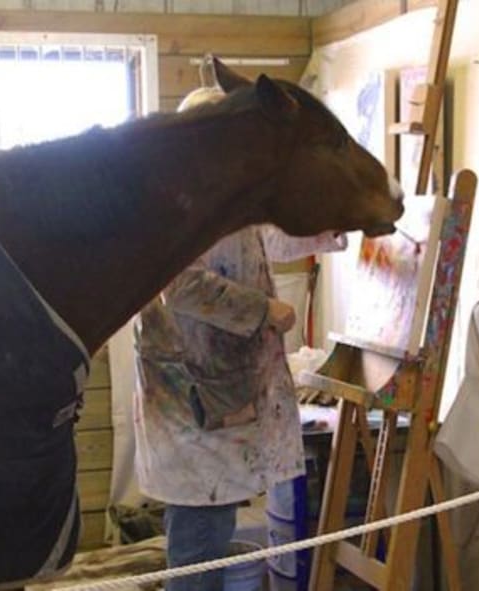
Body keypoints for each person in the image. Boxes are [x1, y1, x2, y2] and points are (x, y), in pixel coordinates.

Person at [132, 85, 347, 591]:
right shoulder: (178, 200)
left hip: (214, 400)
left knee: (208, 536)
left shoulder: (220, 192)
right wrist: (264, 310)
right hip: (193, 406)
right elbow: (180, 286)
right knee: (199, 546)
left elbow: (261, 239)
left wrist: (331, 229)